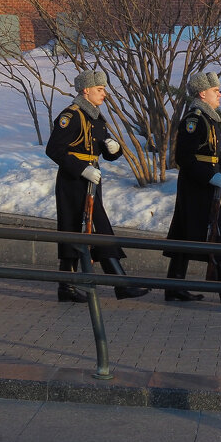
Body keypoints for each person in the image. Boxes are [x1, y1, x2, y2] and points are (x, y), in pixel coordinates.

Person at [45, 68, 148, 302]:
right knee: (94, 228)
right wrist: (82, 169)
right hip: (73, 181)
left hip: (92, 179)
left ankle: (66, 287)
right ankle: (120, 283)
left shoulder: (95, 116)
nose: (104, 94)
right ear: (86, 90)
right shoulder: (70, 116)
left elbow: (102, 150)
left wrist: (114, 149)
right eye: (100, 89)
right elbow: (54, 150)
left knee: (77, 230)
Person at [163, 71, 221, 304]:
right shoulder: (195, 120)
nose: (219, 94)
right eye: (215, 91)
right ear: (203, 93)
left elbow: (215, 155)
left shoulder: (209, 119)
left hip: (202, 184)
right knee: (215, 233)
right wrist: (209, 178)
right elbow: (184, 157)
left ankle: (173, 287)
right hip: (195, 185)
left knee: (185, 234)